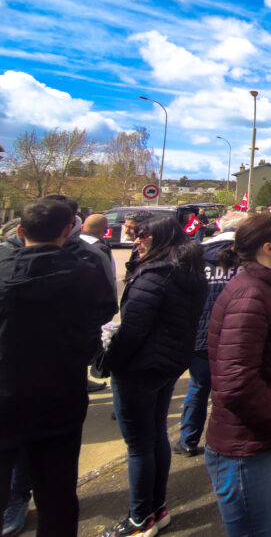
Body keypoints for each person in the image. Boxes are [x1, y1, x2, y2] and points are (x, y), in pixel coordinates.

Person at [0, 199, 117, 536]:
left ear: (21, 232)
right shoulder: (85, 270)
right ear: (68, 231)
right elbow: (103, 313)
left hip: (9, 391)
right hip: (60, 393)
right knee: (57, 492)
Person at [98, 217, 207, 537]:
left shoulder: (156, 273)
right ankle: (156, 510)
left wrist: (108, 360)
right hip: (167, 363)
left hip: (139, 367)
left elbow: (132, 331)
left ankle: (139, 519)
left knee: (139, 446)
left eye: (142, 236)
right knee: (155, 435)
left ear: (161, 239)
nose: (135, 241)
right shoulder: (186, 270)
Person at [205, 213, 271, 537]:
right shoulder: (249, 294)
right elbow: (236, 384)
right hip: (246, 448)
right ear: (267, 248)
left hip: (270, 437)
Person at [174, 211, 246, 457]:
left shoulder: (195, 253)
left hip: (199, 332)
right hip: (234, 334)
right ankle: (227, 439)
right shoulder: (248, 256)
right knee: (231, 389)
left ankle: (188, 439)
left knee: (198, 386)